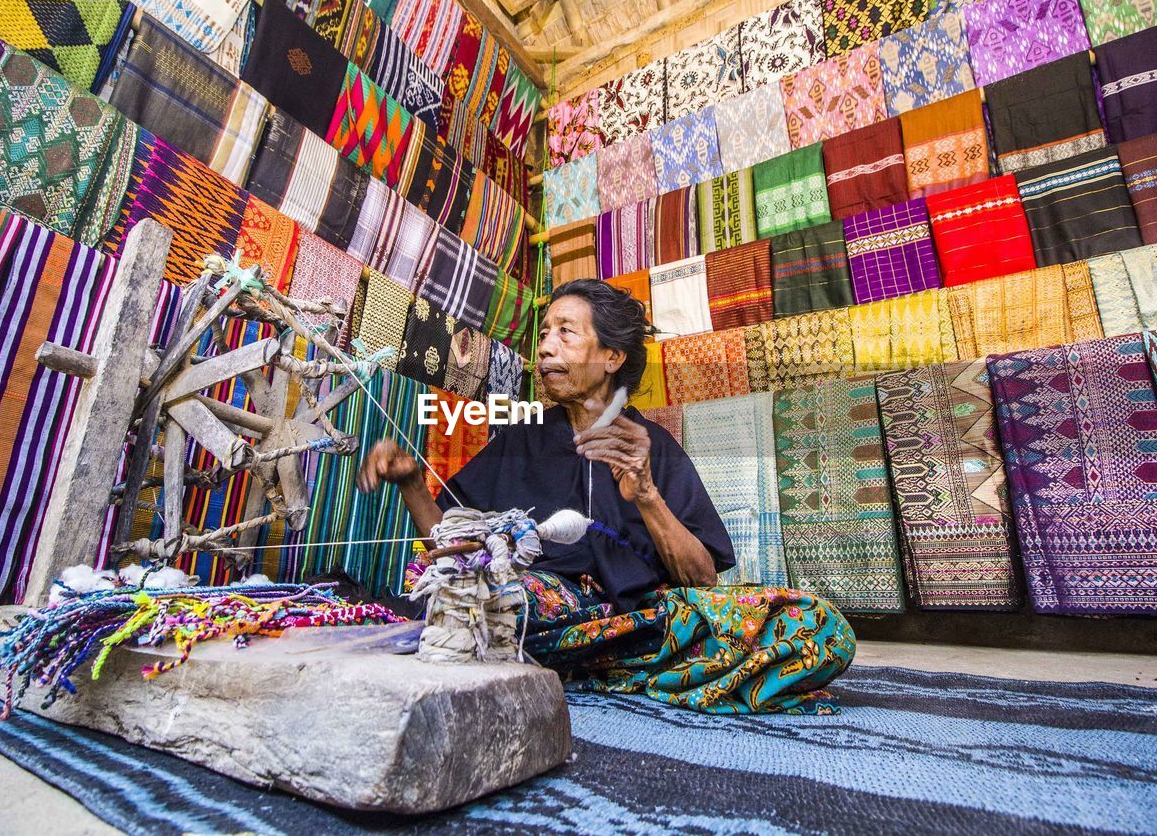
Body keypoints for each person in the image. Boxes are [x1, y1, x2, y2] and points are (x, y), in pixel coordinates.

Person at [359, 279, 855, 714]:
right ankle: (600, 665)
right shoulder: (522, 438)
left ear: (612, 357)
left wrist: (646, 497)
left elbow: (701, 577)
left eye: (566, 332)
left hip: (644, 627)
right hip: (543, 611)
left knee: (819, 628)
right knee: (469, 592)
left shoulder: (654, 448)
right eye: (545, 334)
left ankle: (592, 665)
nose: (546, 348)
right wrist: (410, 484)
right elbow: (454, 550)